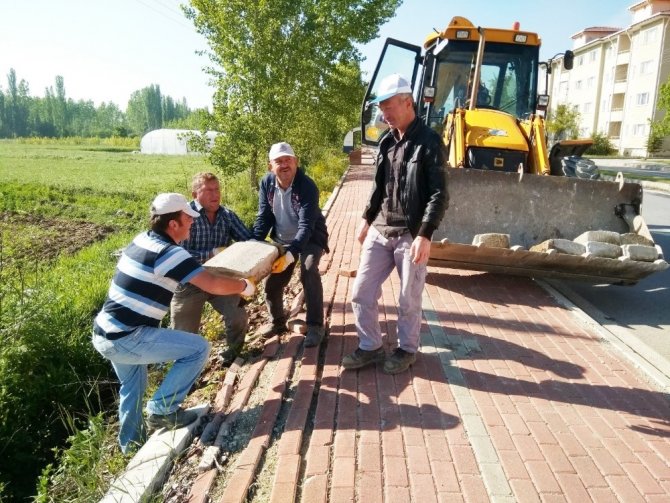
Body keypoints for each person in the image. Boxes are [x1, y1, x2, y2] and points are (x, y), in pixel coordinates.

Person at [92, 193, 256, 454]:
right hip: (128, 337)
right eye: (187, 219)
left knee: (133, 387)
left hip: (105, 332)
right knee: (199, 348)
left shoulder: (142, 240)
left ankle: (131, 446)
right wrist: (243, 286)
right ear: (173, 224)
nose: (192, 223)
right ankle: (162, 410)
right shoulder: (170, 253)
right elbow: (211, 283)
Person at [342, 73, 448, 375]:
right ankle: (371, 347)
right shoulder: (387, 140)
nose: (383, 114)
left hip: (410, 233)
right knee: (361, 292)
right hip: (380, 228)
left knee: (408, 299)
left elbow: (440, 194)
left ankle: (406, 350)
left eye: (388, 107)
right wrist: (366, 218)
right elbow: (379, 186)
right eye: (381, 108)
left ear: (408, 102)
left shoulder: (429, 142)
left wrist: (425, 234)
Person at [253, 142, 329, 347]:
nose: (284, 165)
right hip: (281, 240)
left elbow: (306, 225)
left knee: (309, 269)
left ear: (296, 162)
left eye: (288, 160)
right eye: (279, 161)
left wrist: (291, 254)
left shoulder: (307, 186)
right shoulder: (267, 183)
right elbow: (264, 217)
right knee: (272, 284)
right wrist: (254, 241)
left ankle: (315, 326)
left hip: (310, 238)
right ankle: (277, 321)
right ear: (271, 166)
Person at [170, 172, 252, 364]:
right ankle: (184, 375)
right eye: (208, 190)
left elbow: (247, 241)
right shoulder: (184, 217)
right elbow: (177, 255)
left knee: (238, 316)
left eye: (217, 190)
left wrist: (268, 248)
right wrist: (212, 253)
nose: (215, 195)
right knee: (182, 335)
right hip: (189, 283)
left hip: (220, 279)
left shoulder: (227, 216)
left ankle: (231, 356)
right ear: (194, 194)